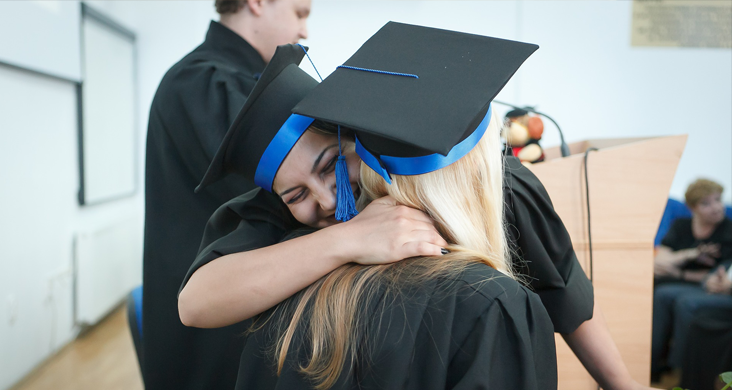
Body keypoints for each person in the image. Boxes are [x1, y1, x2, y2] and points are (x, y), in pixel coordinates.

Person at [180, 22, 652, 390]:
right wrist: (347, 239)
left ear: (355, 136)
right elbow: (197, 303)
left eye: (329, 166)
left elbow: (564, 287)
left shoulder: (491, 182)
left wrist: (621, 382)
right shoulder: (280, 213)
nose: (325, 200)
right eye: (296, 194)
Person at [142, 1, 310, 388]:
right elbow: (281, 194)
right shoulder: (203, 82)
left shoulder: (228, 81)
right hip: (212, 336)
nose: (305, 31)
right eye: (300, 13)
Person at [651, 178, 732, 379]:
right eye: (706, 203)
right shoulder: (681, 225)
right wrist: (689, 255)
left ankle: (681, 369)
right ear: (692, 207)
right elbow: (660, 261)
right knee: (660, 294)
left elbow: (716, 276)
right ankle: (652, 363)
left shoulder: (728, 229)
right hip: (687, 283)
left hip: (710, 288)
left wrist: (678, 271)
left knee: (684, 302)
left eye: (718, 200)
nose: (716, 207)